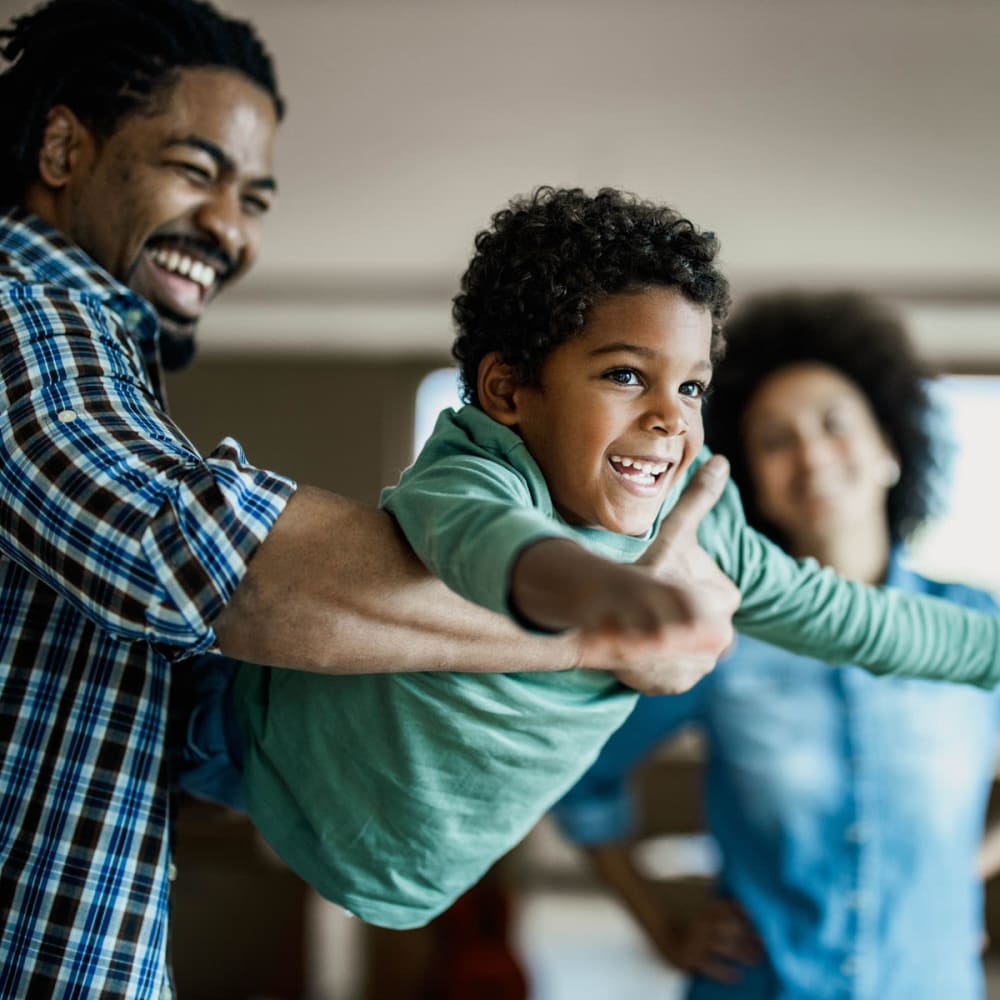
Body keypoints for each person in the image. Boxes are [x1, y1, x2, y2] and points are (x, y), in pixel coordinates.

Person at [0, 3, 740, 997]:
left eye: (255, 198)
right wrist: (605, 626)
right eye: (196, 171)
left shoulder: (100, 358)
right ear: (60, 145)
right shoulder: (19, 310)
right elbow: (204, 561)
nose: (230, 228)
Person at [215, 190, 1000, 935]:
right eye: (626, 374)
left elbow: (859, 620)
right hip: (264, 761)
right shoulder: (478, 469)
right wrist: (603, 594)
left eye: (692, 387)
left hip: (407, 875)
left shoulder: (700, 525)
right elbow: (492, 544)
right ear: (509, 390)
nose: (668, 416)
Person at [552, 290, 1000, 999]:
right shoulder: (718, 627)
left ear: (890, 446)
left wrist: (958, 874)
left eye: (834, 424)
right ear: (751, 479)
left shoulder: (976, 624)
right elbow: (581, 775)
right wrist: (660, 924)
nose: (812, 454)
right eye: (775, 438)